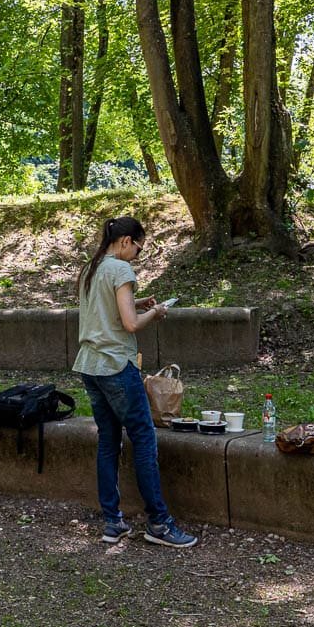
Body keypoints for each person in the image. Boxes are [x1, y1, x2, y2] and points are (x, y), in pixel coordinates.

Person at [73, 216, 198, 548]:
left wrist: (138, 303)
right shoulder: (121, 269)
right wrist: (155, 313)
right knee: (144, 439)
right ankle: (159, 523)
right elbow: (130, 324)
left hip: (90, 365)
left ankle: (112, 522)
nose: (137, 256)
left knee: (108, 441)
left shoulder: (90, 268)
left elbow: (104, 311)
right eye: (139, 249)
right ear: (126, 241)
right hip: (116, 364)